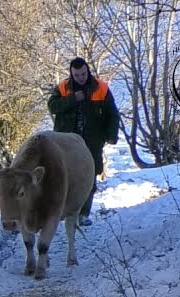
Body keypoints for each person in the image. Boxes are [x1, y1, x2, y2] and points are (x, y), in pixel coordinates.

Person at [47, 57, 120, 226]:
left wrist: (111, 134)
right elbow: (52, 106)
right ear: (71, 74)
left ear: (88, 71)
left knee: (90, 176)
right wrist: (72, 99)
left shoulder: (101, 88)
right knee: (65, 176)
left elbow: (112, 114)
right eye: (77, 75)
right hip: (67, 142)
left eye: (83, 74)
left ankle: (83, 215)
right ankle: (66, 213)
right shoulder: (63, 88)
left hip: (92, 141)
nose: (81, 77)